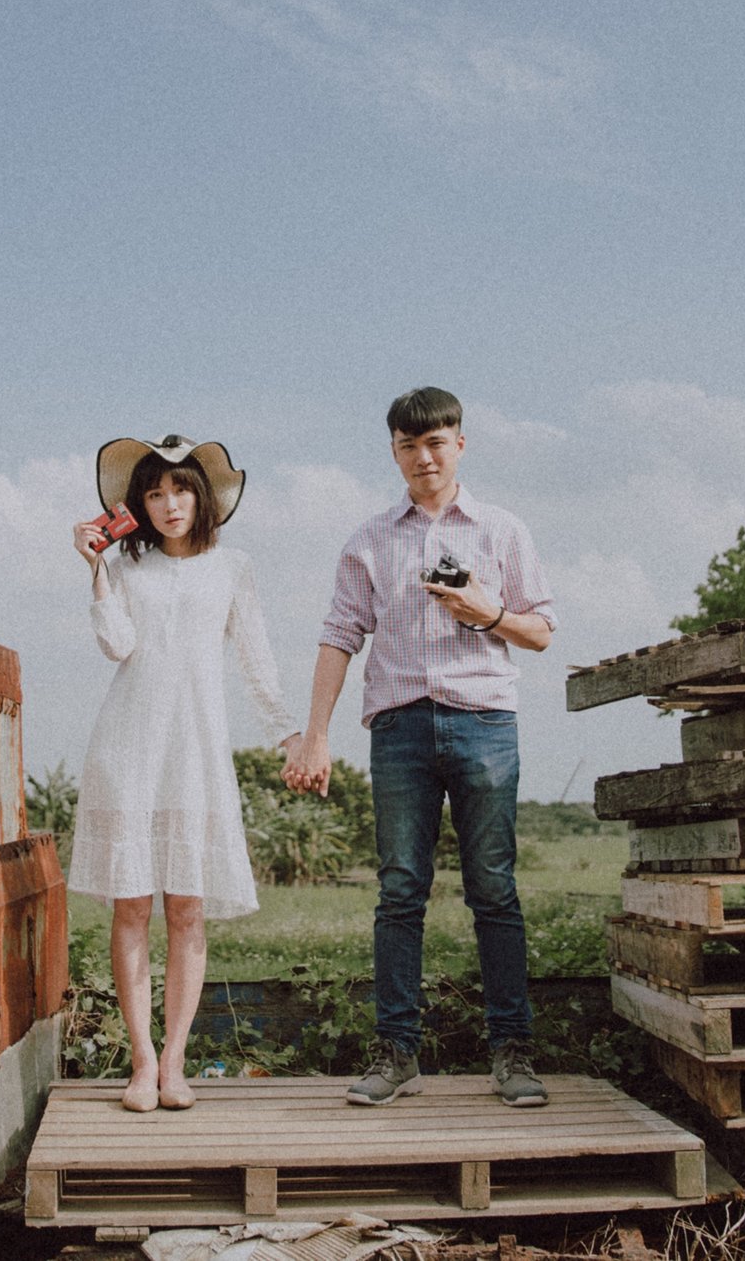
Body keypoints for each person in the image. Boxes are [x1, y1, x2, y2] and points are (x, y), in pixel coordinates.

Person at [279, 386, 556, 1107]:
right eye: (409, 445)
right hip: (399, 726)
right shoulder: (369, 539)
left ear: (460, 444)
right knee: (400, 890)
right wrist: (316, 735)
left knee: (493, 887)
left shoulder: (503, 530)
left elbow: (540, 631)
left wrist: (486, 611)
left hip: (485, 722)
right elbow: (339, 635)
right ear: (394, 452)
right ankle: (397, 1052)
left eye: (436, 442)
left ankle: (513, 1052)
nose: (423, 456)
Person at [69, 432, 290, 1113]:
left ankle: (174, 1061)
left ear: (203, 497)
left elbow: (255, 654)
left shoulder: (233, 566)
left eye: (181, 489)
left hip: (196, 750)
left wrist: (286, 732)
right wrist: (96, 568)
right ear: (138, 504)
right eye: (155, 493)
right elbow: (117, 644)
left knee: (187, 909)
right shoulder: (127, 568)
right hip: (129, 746)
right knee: (132, 906)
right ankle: (140, 1061)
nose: (169, 504)